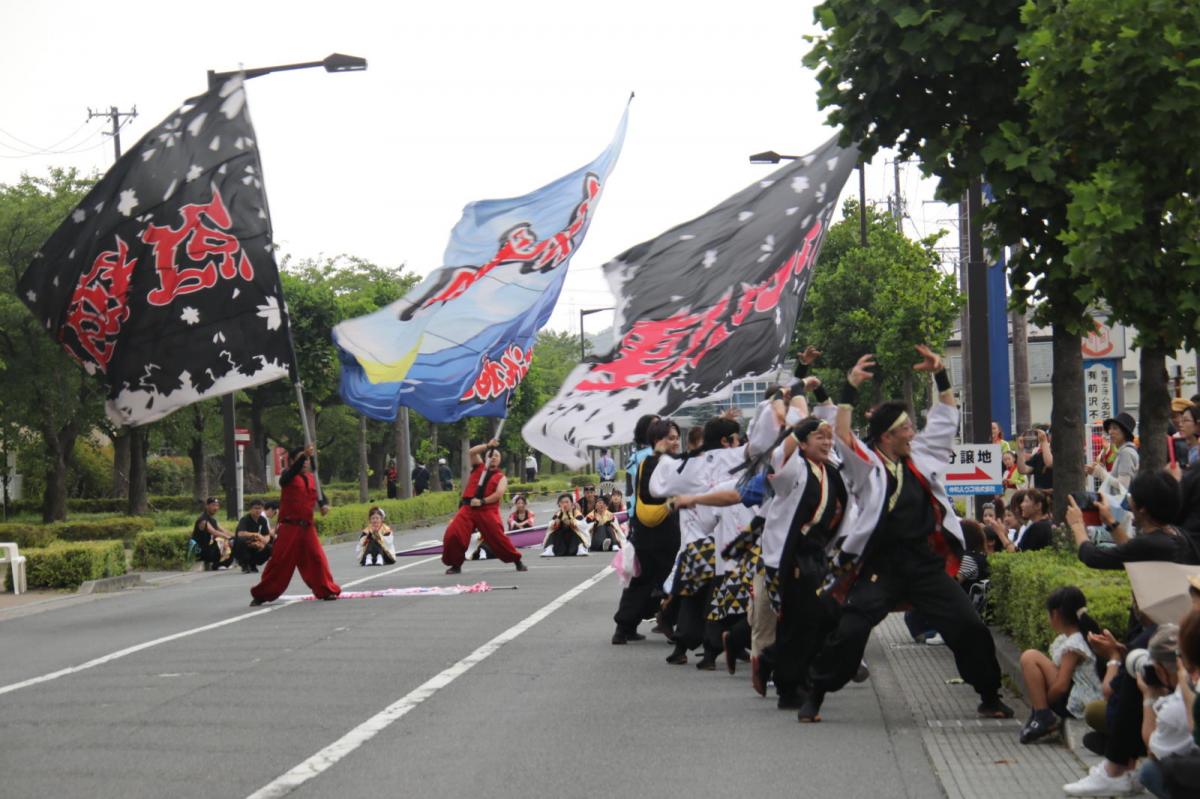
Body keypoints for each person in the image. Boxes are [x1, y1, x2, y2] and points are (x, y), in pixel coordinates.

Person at [801, 347, 1012, 723]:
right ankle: (816, 692)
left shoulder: (921, 459)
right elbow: (843, 435)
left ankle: (989, 694)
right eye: (906, 429)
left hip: (925, 565)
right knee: (851, 630)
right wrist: (849, 388)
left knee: (969, 626)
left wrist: (941, 374)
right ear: (887, 436)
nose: (913, 433)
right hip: (881, 566)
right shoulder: (867, 467)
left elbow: (945, 421)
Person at [612, 418, 681, 644]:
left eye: (677, 438)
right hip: (662, 530)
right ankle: (667, 622)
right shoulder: (657, 461)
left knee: (642, 580)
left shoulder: (643, 459)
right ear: (656, 439)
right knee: (671, 578)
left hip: (645, 528)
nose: (675, 442)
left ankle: (625, 627)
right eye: (670, 438)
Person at [249, 445, 340, 605]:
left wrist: (324, 505)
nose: (305, 462)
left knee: (317, 558)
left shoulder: (312, 478)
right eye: (301, 459)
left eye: (307, 460)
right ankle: (262, 594)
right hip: (289, 527)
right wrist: (304, 455)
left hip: (307, 527)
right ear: (292, 461)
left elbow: (320, 496)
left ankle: (326, 590)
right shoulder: (288, 476)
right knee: (280, 561)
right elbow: (286, 478)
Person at [1017, 586, 1103, 744]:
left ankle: (1042, 715)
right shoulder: (1079, 636)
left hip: (1076, 704)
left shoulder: (1074, 645)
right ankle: (1041, 713)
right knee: (1032, 658)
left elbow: (1062, 686)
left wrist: (1042, 703)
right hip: (1082, 699)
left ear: (1055, 614)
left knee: (1029, 657)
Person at [1128, 624, 1198, 798]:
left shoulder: (1175, 705)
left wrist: (1149, 696)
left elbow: (1154, 752)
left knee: (1150, 771)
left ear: (1160, 669)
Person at [1067, 471, 1189, 568]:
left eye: (1132, 497)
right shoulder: (1176, 537)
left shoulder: (1149, 545)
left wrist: (1077, 524)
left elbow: (1092, 557)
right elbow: (1132, 551)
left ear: (1142, 509)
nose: (1129, 501)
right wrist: (1109, 521)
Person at [441, 439, 527, 575]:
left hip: (487, 510)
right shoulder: (479, 467)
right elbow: (471, 452)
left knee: (498, 538)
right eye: (491, 455)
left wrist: (482, 501)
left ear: (500, 460)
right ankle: (456, 565)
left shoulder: (501, 477)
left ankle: (517, 560)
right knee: (453, 534)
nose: (493, 457)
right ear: (486, 458)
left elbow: (498, 494)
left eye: (496, 456)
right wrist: (487, 446)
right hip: (468, 508)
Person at [1086, 412, 1139, 490]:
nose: (1110, 432)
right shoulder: (1124, 451)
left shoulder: (1126, 453)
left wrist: (1101, 473)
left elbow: (1123, 485)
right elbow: (1117, 478)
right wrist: (1096, 472)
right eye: (1110, 428)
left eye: (1115, 428)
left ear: (1125, 432)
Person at [192, 497, 233, 571]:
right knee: (222, 540)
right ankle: (218, 565)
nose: (216, 508)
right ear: (207, 506)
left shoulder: (213, 520)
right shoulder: (202, 519)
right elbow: (214, 532)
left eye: (217, 505)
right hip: (201, 550)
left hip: (210, 548)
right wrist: (228, 538)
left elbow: (223, 530)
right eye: (213, 505)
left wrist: (236, 536)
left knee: (233, 541)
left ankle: (225, 563)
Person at [233, 499, 273, 573]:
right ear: (250, 509)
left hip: (256, 544)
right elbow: (240, 533)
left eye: (260, 508)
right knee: (242, 540)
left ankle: (253, 563)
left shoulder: (263, 520)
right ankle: (244, 564)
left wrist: (264, 541)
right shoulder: (245, 519)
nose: (258, 510)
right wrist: (256, 535)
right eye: (255, 508)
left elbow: (267, 534)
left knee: (270, 547)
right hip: (245, 544)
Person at [1017, 425, 1054, 492]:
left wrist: (1044, 441)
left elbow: (1049, 463)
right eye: (1051, 434)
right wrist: (1020, 450)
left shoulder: (1065, 453)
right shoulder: (1039, 454)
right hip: (1039, 496)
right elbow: (1023, 470)